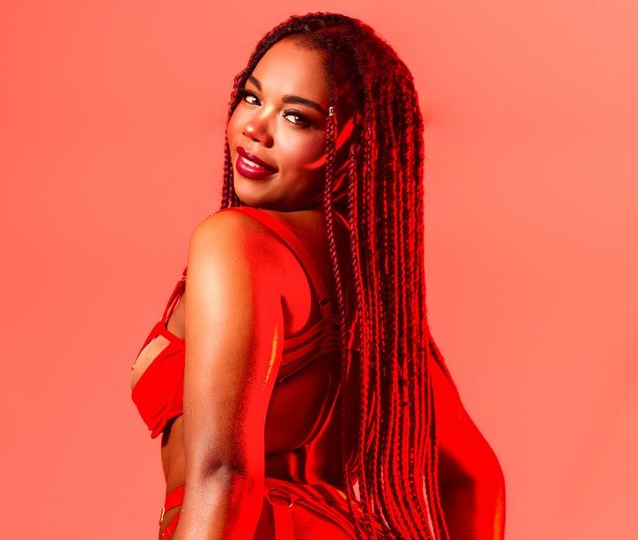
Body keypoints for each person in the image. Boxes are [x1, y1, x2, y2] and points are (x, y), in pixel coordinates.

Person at [129, 12, 506, 540]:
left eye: (297, 118)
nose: (255, 129)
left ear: (350, 146)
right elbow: (474, 476)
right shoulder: (368, 282)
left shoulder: (235, 240)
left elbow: (225, 474)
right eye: (253, 98)